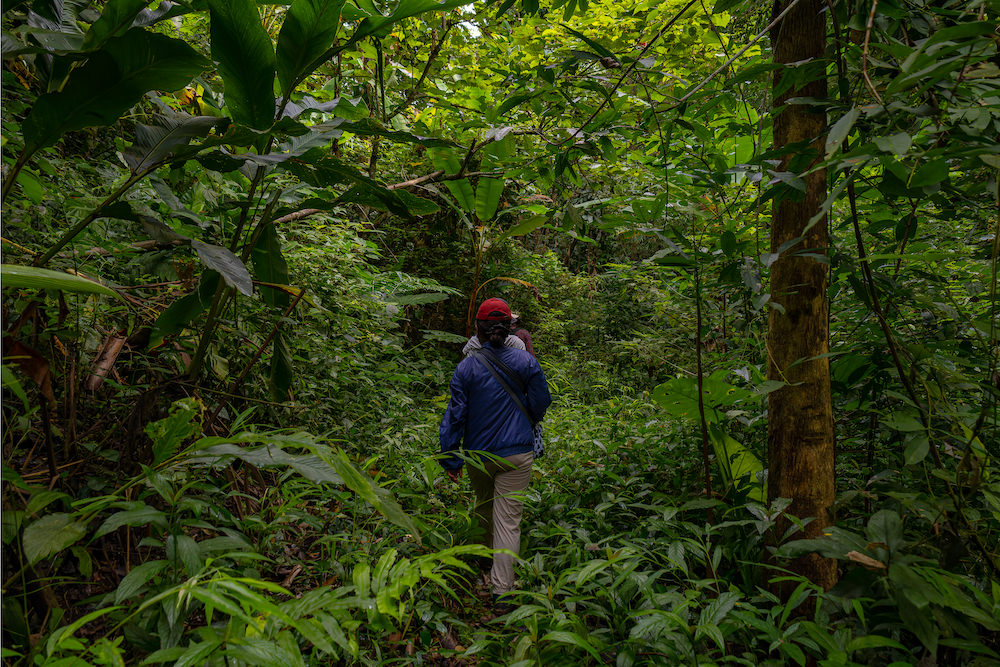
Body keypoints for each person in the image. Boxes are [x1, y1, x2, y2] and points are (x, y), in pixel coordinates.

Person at [439, 297, 552, 610]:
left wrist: (451, 458)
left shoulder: (466, 368)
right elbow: (542, 403)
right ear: (509, 329)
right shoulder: (527, 363)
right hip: (517, 454)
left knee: (484, 505)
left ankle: (481, 563)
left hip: (478, 456)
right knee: (508, 521)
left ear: (478, 329)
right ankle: (502, 593)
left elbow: (455, 416)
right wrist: (524, 416)